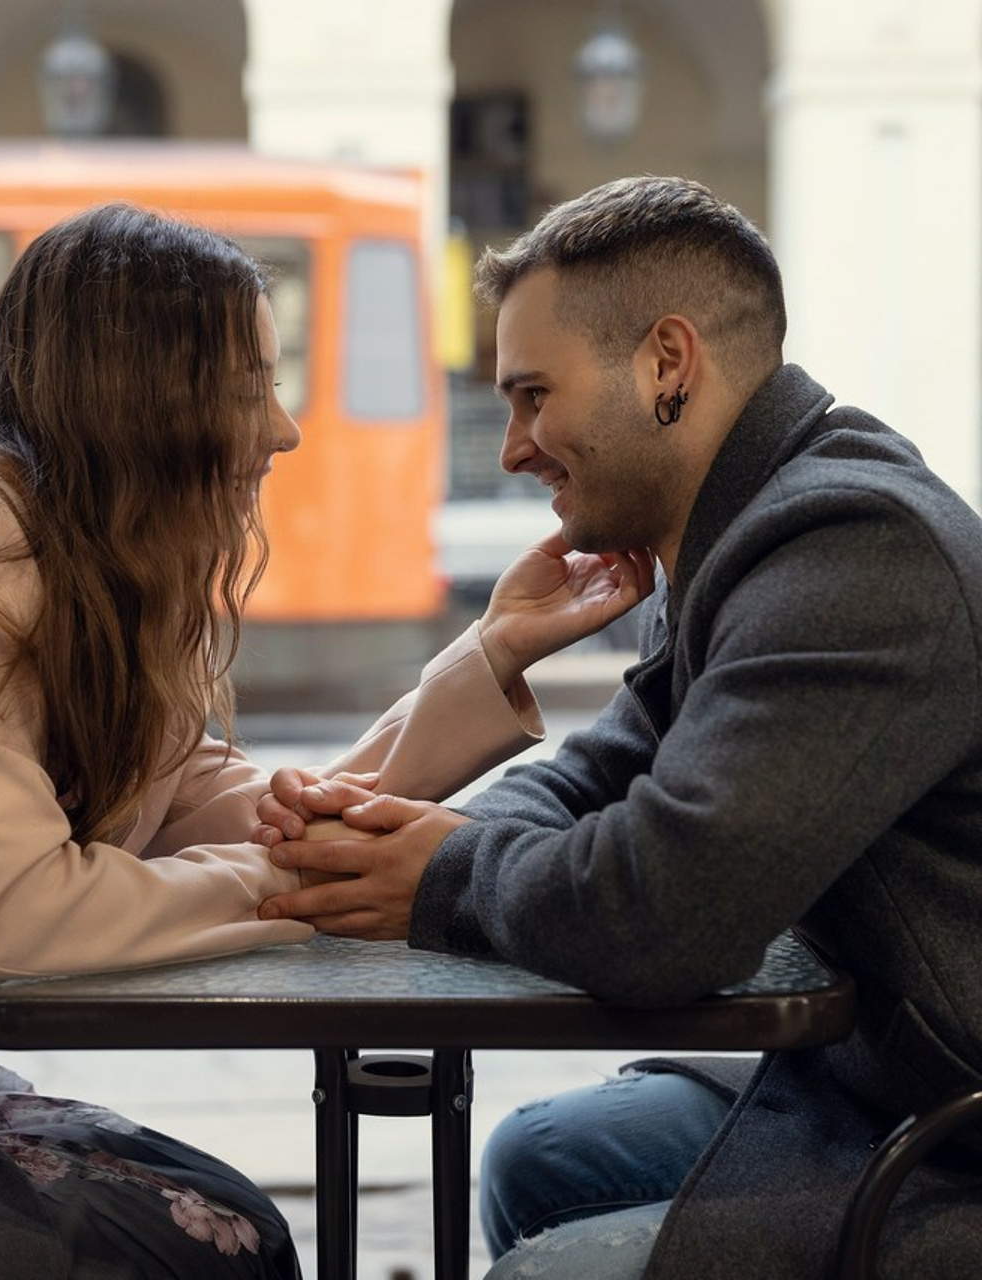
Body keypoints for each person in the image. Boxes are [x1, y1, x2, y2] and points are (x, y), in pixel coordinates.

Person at [0, 200, 654, 1279]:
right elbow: (14, 920)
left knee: (236, 1226)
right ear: (145, 394)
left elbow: (269, 811)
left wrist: (490, 652)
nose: (281, 428)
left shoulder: (94, 563)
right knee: (228, 1243)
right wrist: (301, 884)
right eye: (250, 384)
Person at [254, 175, 982, 1279]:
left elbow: (663, 909)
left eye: (532, 395)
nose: (512, 447)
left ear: (664, 365)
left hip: (946, 1132)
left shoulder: (850, 548)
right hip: (877, 1075)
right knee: (535, 1154)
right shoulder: (753, 529)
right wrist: (416, 841)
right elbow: (592, 776)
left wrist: (441, 872)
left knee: (545, 1266)